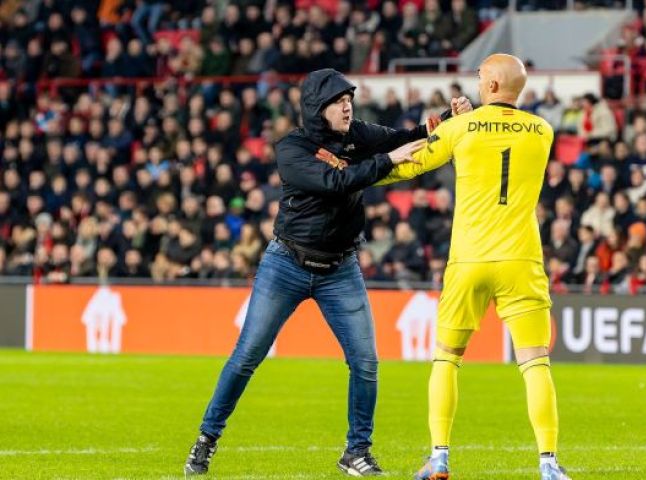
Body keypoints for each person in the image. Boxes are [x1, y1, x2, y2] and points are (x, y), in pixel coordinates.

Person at [184, 68, 472, 476]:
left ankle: (356, 452)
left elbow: (402, 137)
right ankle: (206, 439)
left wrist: (448, 116)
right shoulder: (292, 148)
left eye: (349, 98)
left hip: (340, 268)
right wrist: (386, 161)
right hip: (286, 264)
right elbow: (336, 181)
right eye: (339, 101)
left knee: (366, 362)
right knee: (247, 355)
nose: (347, 105)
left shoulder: (357, 134)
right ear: (318, 109)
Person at [376, 54, 570, 480]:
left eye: (482, 78)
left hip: (469, 259)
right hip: (521, 259)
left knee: (446, 358)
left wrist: (364, 175)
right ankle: (549, 464)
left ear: (495, 86)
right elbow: (502, 133)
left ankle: (440, 457)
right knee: (536, 362)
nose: (478, 83)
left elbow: (410, 163)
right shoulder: (543, 130)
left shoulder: (460, 128)